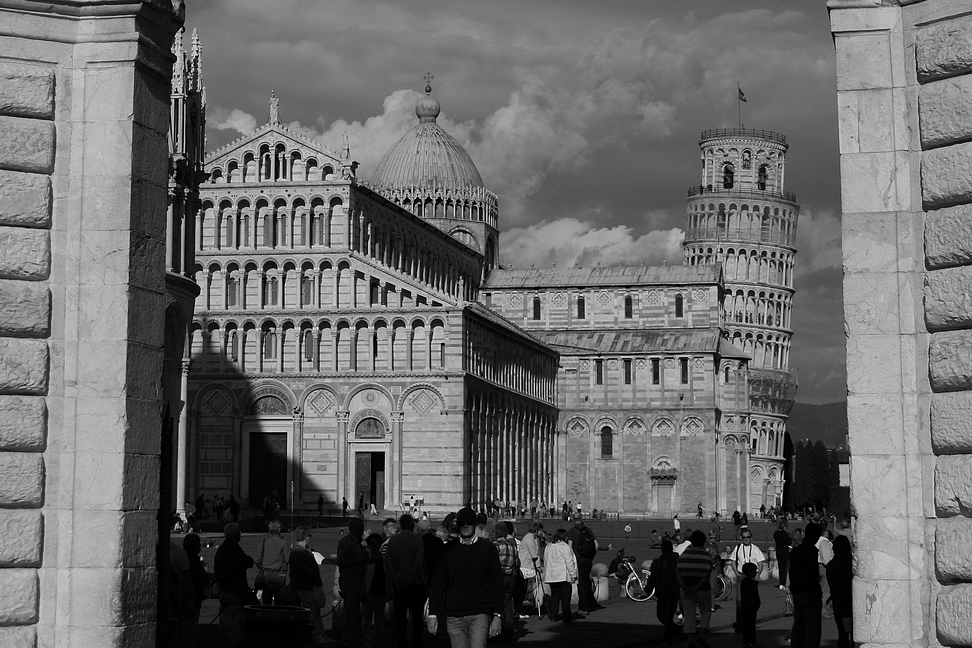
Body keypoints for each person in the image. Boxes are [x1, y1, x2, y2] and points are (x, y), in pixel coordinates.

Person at [427, 507, 504, 646]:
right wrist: (432, 614)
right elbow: (438, 583)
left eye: (469, 522)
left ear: (474, 524)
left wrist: (497, 615)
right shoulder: (448, 550)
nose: (465, 526)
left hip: (480, 613)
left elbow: (497, 583)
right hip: (454, 614)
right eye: (462, 523)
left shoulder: (488, 549)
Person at [385, 514, 427, 648]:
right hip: (416, 584)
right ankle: (416, 643)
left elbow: (389, 562)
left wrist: (397, 580)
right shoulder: (418, 540)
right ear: (412, 525)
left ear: (401, 526)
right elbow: (417, 562)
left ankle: (401, 643)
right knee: (417, 618)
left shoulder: (393, 541)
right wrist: (409, 579)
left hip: (399, 584)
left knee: (400, 617)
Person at [214, 523, 258, 647]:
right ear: (234, 535)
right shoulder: (233, 547)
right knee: (255, 606)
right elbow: (247, 562)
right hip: (234, 586)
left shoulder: (225, 547)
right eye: (239, 533)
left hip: (228, 585)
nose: (240, 535)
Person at [337, 517, 376, 647]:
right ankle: (347, 638)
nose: (361, 531)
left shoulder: (359, 543)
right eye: (359, 528)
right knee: (351, 610)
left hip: (359, 578)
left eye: (362, 528)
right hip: (350, 578)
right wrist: (360, 560)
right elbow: (341, 562)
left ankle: (356, 634)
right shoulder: (346, 542)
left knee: (358, 610)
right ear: (353, 529)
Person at [289, 526, 329, 644]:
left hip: (307, 585)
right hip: (304, 586)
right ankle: (317, 635)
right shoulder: (298, 552)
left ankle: (321, 633)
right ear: (306, 537)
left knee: (315, 610)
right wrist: (316, 578)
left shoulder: (302, 550)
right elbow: (305, 570)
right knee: (311, 611)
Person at [676, 530, 714, 648]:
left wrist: (683, 585)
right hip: (702, 589)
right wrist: (697, 587)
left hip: (686, 588)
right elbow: (706, 575)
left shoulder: (683, 556)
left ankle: (690, 640)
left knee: (689, 614)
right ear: (703, 542)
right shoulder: (707, 557)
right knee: (705, 612)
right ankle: (702, 636)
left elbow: (677, 571)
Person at [789, 522, 823, 648]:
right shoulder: (812, 551)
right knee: (812, 626)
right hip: (810, 591)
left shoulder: (796, 551)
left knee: (799, 623)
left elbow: (792, 571)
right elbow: (812, 573)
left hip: (798, 591)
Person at [566, 514, 610, 613]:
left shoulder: (572, 531)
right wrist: (591, 557)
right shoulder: (588, 530)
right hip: (588, 559)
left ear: (573, 519)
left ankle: (584, 605)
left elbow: (569, 547)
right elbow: (596, 545)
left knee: (581, 583)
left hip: (578, 559)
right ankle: (590, 602)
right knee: (587, 580)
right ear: (581, 519)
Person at [729, 527, 765, 633]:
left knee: (752, 601)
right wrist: (736, 573)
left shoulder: (755, 549)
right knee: (740, 601)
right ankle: (740, 624)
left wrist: (758, 574)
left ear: (751, 537)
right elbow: (732, 561)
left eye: (748, 537)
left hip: (752, 577)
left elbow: (760, 563)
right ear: (741, 538)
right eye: (743, 537)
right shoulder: (738, 547)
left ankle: (750, 624)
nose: (746, 539)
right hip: (741, 576)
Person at [648, 539, 680, 648]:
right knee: (660, 615)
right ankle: (676, 630)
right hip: (662, 592)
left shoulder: (676, 561)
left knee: (667, 616)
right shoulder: (659, 561)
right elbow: (653, 576)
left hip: (671, 592)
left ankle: (668, 639)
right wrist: (649, 588)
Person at [542, 528, 578, 623]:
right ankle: (566, 617)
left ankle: (554, 616)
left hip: (552, 576)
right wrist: (573, 575)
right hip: (563, 576)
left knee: (555, 596)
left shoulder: (549, 547)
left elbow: (546, 561)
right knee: (566, 598)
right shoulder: (565, 547)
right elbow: (569, 562)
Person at [492, 522, 520, 640]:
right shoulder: (512, 545)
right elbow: (517, 562)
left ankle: (496, 631)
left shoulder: (495, 545)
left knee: (496, 605)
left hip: (499, 577)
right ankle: (508, 632)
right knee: (507, 605)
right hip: (510, 577)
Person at [827, 535, 854, 648]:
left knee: (842, 634)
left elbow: (831, 584)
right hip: (852, 601)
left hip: (839, 602)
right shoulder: (852, 564)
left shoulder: (832, 565)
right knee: (855, 634)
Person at [183, 533, 209, 648]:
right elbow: (202, 579)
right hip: (192, 598)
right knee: (190, 631)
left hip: (184, 598)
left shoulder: (184, 557)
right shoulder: (193, 561)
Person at [255, 520, 290, 604]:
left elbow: (257, 560)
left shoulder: (263, 543)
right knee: (279, 600)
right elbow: (287, 560)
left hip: (266, 575)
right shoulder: (283, 543)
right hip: (280, 575)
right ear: (278, 530)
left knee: (266, 600)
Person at [362, 533, 387, 648]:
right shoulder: (367, 560)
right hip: (370, 591)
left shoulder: (384, 560)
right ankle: (368, 639)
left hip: (381, 590)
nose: (375, 545)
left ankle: (378, 639)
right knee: (367, 618)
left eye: (377, 543)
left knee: (379, 618)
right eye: (373, 543)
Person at [740, 562, 761, 647]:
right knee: (751, 625)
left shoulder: (744, 582)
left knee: (747, 625)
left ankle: (746, 641)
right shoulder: (750, 582)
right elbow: (754, 594)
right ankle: (752, 641)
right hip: (751, 606)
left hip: (746, 606)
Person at [774, 518, 792, 590]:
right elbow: (789, 542)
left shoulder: (776, 533)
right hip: (785, 551)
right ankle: (785, 583)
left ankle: (781, 583)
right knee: (786, 568)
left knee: (781, 567)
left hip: (778, 551)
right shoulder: (785, 534)